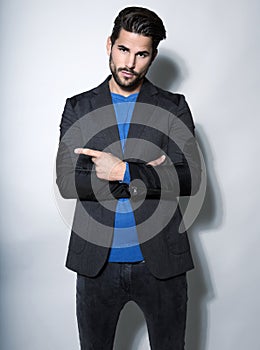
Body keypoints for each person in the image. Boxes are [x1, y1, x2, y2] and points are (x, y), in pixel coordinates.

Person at [56, 6, 201, 350]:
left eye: (141, 54)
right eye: (123, 49)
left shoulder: (173, 107)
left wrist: (122, 170)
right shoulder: (79, 108)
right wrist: (153, 174)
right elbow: (66, 182)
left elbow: (191, 178)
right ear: (109, 45)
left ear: (152, 56)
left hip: (162, 264)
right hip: (96, 264)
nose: (130, 63)